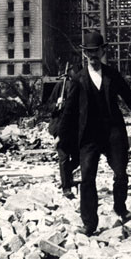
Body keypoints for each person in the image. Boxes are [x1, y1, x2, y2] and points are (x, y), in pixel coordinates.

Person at [58, 30, 131, 236]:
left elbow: (130, 98)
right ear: (84, 54)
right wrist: (62, 138)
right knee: (87, 179)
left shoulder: (112, 75)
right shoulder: (77, 80)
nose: (93, 56)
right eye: (89, 53)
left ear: (103, 51)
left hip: (113, 133)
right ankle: (89, 224)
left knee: (121, 174)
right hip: (89, 137)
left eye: (96, 51)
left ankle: (120, 208)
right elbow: (68, 112)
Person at [48, 64, 80, 199]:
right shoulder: (61, 86)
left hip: (74, 129)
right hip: (60, 126)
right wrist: (57, 104)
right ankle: (66, 187)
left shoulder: (79, 87)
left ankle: (67, 175)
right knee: (64, 158)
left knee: (78, 158)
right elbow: (49, 106)